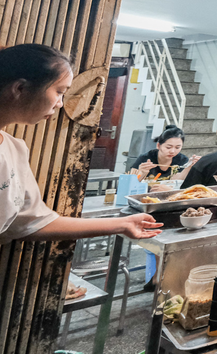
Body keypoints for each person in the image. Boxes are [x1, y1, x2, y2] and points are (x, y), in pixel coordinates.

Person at [0, 44, 162, 245]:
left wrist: (123, 224)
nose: (60, 103)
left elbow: (33, 222)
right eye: (59, 91)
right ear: (20, 88)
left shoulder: (15, 150)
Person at [132, 125, 198, 182]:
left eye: (177, 148)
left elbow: (177, 182)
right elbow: (129, 183)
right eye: (168, 147)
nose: (172, 151)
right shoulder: (145, 158)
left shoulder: (182, 160)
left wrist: (189, 167)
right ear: (158, 146)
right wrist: (141, 173)